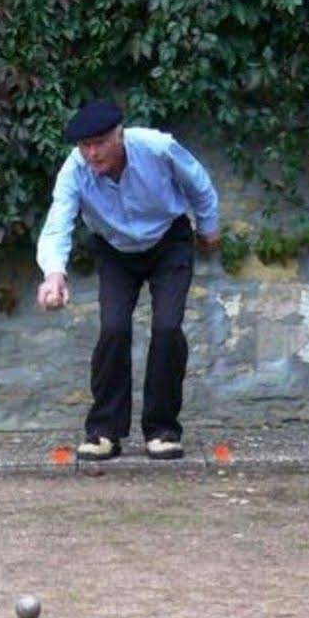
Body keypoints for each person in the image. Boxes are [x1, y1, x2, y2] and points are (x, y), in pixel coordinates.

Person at [36, 100, 221, 461]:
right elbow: (58, 222)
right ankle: (104, 431)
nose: (92, 153)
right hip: (114, 250)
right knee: (114, 330)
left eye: (100, 142)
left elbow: (198, 183)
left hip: (169, 241)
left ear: (119, 135)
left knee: (167, 328)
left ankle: (163, 429)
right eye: (84, 145)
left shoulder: (157, 147)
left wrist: (209, 228)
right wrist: (54, 275)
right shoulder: (74, 170)